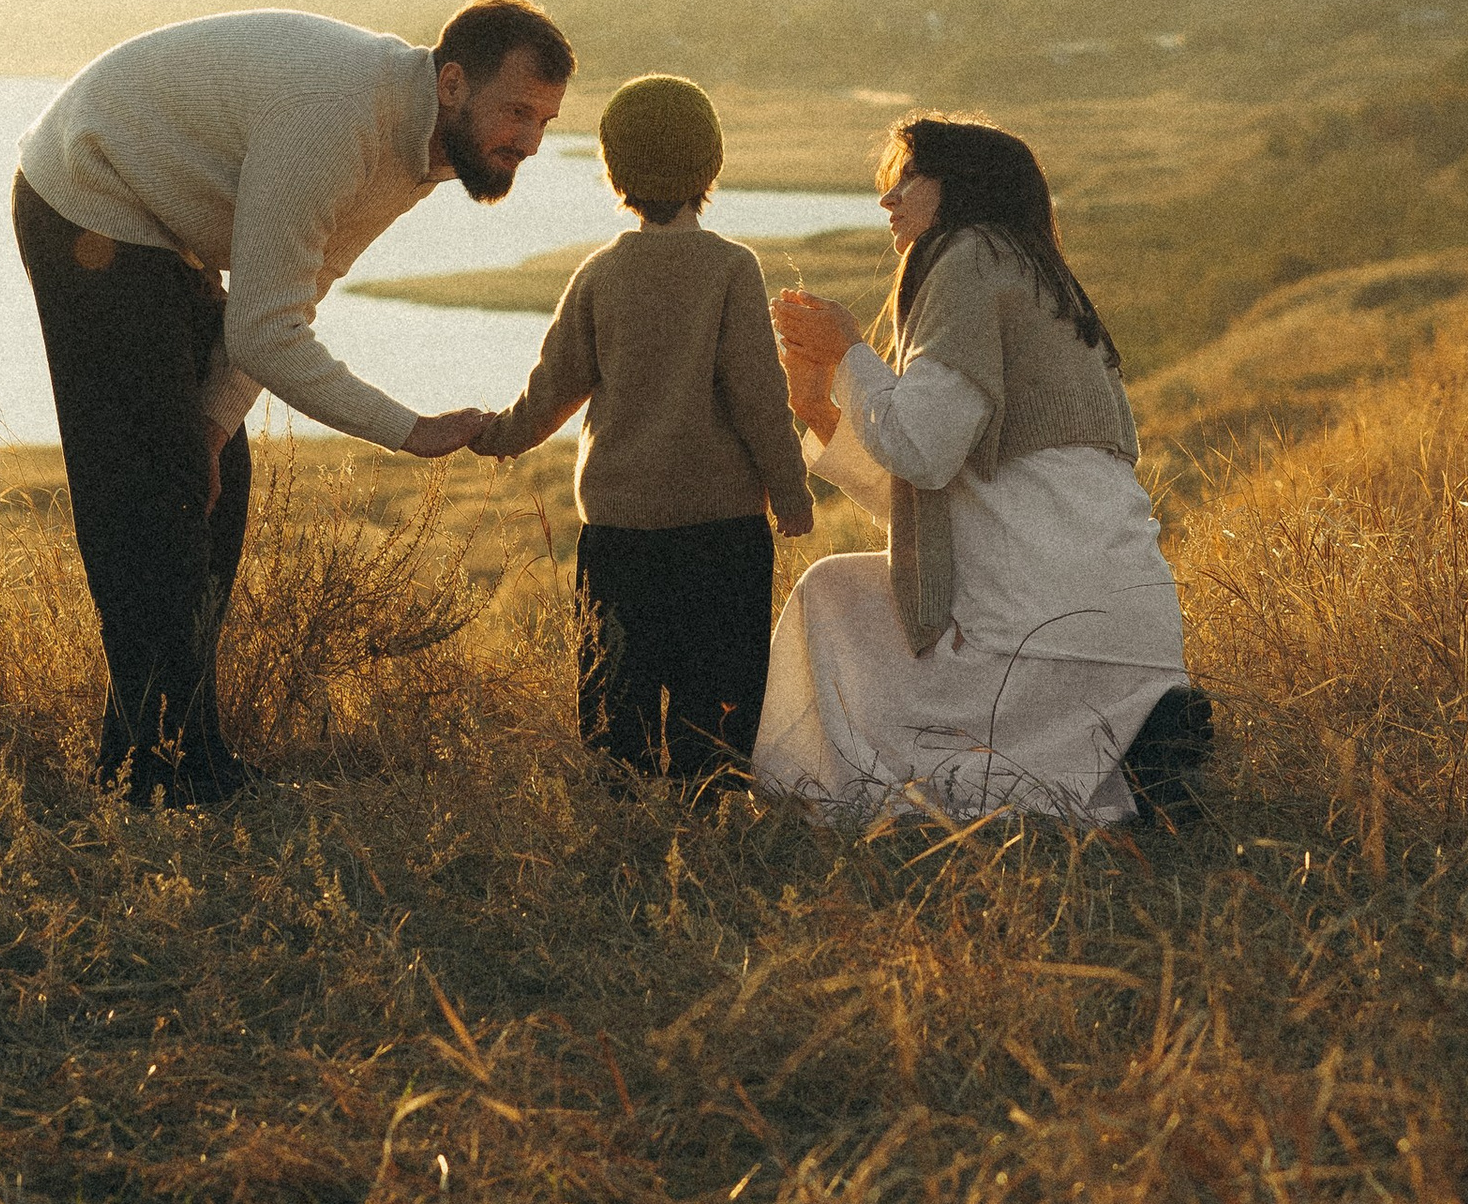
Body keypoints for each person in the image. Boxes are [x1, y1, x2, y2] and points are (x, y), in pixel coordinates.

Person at [12, 0, 574, 801]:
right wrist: (406, 429)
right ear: (453, 83)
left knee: (213, 481)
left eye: (545, 121)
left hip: (165, 226)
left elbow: (294, 295)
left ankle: (184, 754)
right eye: (516, 112)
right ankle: (148, 775)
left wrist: (214, 426)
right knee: (155, 488)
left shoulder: (422, 148)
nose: (529, 141)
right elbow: (264, 333)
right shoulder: (339, 119)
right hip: (88, 194)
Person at [756, 115, 1207, 830]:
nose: (888, 198)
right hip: (1134, 631)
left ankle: (835, 795)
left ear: (960, 186)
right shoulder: (1035, 275)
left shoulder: (967, 256)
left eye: (910, 177)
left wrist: (850, 353)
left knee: (831, 603)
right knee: (840, 592)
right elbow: (929, 488)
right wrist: (818, 407)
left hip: (1042, 613)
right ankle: (1128, 749)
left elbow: (924, 453)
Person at [475, 73, 815, 785]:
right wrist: (790, 491)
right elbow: (759, 397)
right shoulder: (732, 268)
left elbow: (550, 391)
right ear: (711, 164)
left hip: (619, 536)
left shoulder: (600, 273)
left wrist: (494, 434)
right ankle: (705, 824)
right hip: (722, 533)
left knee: (615, 709)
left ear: (613, 171)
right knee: (715, 711)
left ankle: (624, 826)